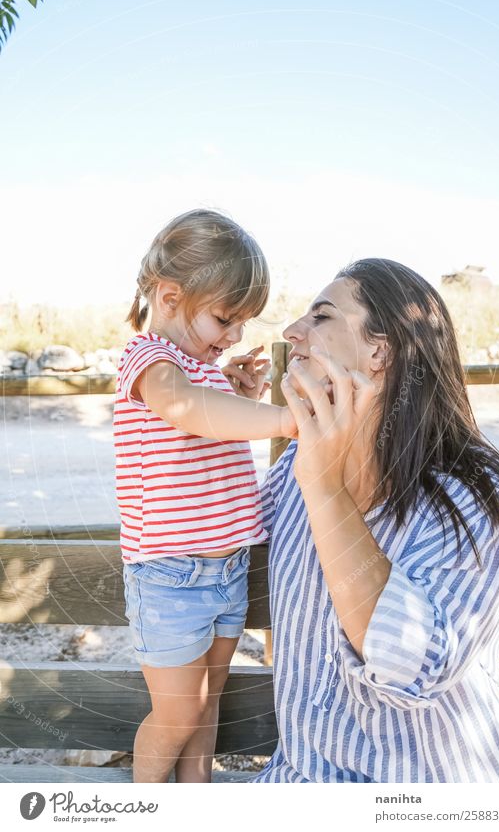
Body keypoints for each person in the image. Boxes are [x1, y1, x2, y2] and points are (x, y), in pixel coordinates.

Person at [252, 258, 499, 783]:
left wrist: (325, 487)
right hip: (306, 783)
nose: (292, 331)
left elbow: (412, 665)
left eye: (322, 316)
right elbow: (209, 540)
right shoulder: (294, 465)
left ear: (380, 352)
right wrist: (211, 416)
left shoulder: (473, 491)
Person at [115, 209, 296, 783]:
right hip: (169, 574)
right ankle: (144, 807)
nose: (236, 336)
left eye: (244, 322)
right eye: (225, 318)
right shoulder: (152, 362)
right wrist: (283, 419)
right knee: (179, 709)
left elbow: (210, 409)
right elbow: (187, 410)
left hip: (227, 568)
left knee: (208, 700)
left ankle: (196, 799)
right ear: (170, 296)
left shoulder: (202, 368)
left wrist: (237, 388)